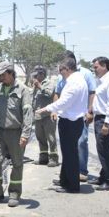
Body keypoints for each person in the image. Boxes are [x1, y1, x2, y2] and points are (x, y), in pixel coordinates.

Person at [36, 58, 88, 192]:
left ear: (68, 69)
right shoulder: (76, 80)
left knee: (70, 154)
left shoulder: (74, 82)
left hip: (70, 122)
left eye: (61, 70)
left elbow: (64, 102)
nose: (60, 73)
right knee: (68, 153)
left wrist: (47, 108)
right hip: (72, 120)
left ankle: (72, 186)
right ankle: (65, 180)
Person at [0, 61, 33, 207]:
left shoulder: (23, 90)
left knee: (17, 163)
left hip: (16, 133)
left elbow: (27, 113)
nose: (1, 78)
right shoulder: (0, 88)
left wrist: (25, 134)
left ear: (11, 74)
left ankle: (14, 193)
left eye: (3, 75)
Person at [53, 50, 96, 180]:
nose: (61, 68)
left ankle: (81, 171)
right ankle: (68, 174)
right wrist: (54, 110)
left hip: (80, 115)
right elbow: (57, 93)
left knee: (81, 141)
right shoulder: (62, 75)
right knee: (66, 146)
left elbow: (92, 92)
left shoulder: (86, 74)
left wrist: (90, 111)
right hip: (66, 117)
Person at [87, 56, 109, 191]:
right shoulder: (102, 80)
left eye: (96, 67)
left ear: (104, 66)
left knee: (104, 150)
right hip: (100, 117)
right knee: (103, 148)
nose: (94, 69)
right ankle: (103, 176)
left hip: (106, 119)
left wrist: (106, 124)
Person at [31, 65, 58, 166]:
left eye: (37, 75)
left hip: (47, 115)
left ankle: (54, 158)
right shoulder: (35, 84)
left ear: (42, 74)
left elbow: (50, 94)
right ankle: (43, 158)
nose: (35, 77)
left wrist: (40, 86)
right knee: (40, 137)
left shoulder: (49, 83)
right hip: (38, 115)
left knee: (51, 137)